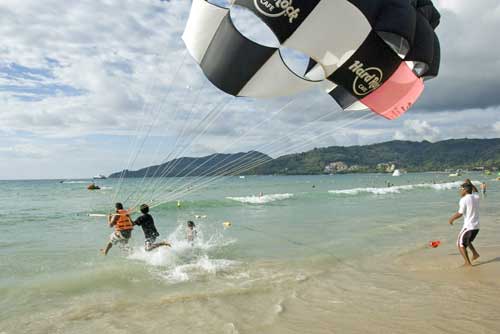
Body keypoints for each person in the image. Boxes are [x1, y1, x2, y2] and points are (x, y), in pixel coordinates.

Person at [448, 183, 480, 267]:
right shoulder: (476, 197)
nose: (460, 191)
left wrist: (451, 219)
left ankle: (467, 263)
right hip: (476, 227)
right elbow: (476, 191)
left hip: (468, 227)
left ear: (465, 190)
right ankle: (475, 253)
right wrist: (471, 184)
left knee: (460, 244)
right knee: (467, 241)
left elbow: (460, 213)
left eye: (461, 189)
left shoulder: (464, 199)